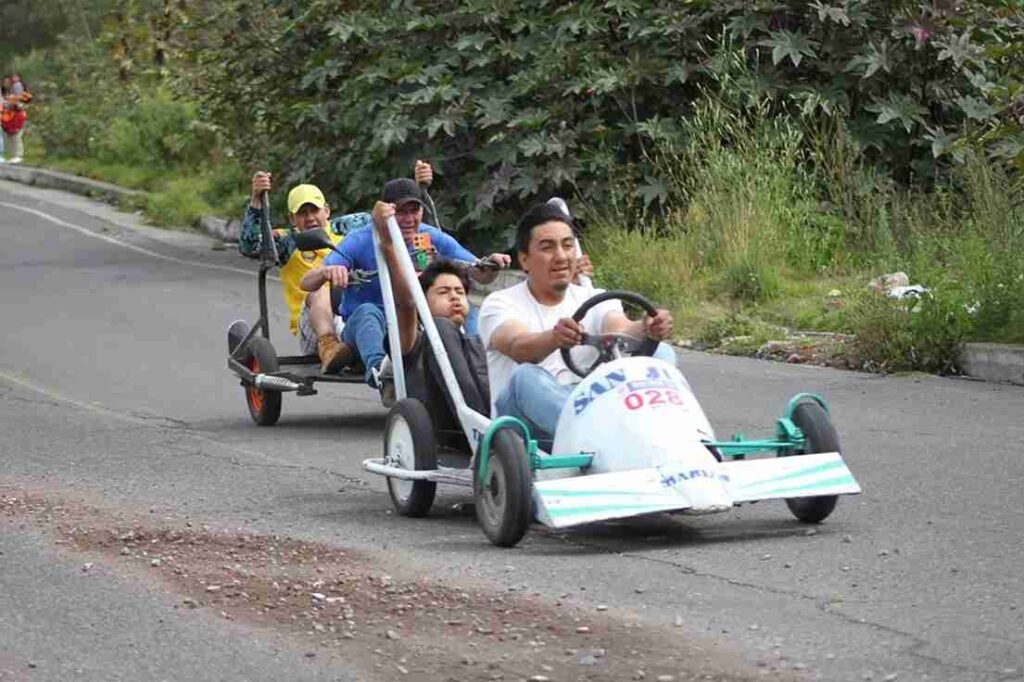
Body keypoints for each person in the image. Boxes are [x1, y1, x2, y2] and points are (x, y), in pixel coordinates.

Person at [478, 201, 677, 448]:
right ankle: (612, 442)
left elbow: (620, 328)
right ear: (525, 259)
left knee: (661, 352)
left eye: (567, 245)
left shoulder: (594, 298)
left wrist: (647, 327)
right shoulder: (499, 303)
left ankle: (670, 435)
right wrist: (553, 338)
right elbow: (518, 345)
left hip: (597, 414)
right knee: (525, 377)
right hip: (528, 429)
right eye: (547, 248)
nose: (561, 256)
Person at [300, 161, 512, 390]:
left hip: (414, 320)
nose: (409, 219)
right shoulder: (360, 239)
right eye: (401, 212)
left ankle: (479, 368)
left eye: (415, 211)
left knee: (465, 307)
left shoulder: (430, 236)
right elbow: (307, 282)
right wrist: (328, 271)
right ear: (386, 212)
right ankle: (383, 377)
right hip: (368, 325)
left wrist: (493, 264)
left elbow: (479, 273)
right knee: (367, 313)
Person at [372, 202, 490, 435]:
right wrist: (388, 245)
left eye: (459, 292)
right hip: (446, 430)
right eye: (444, 292)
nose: (455, 298)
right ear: (424, 301)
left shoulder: (477, 340)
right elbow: (406, 303)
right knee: (441, 328)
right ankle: (485, 427)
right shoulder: (415, 341)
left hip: (495, 424)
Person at [238, 171, 371, 372]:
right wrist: (257, 198)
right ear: (292, 219)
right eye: (302, 213)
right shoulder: (286, 242)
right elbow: (249, 245)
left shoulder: (349, 232)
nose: (310, 218)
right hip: (313, 328)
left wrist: (419, 187)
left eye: (314, 210)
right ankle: (330, 347)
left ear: (326, 210)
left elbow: (399, 224)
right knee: (320, 287)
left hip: (352, 313)